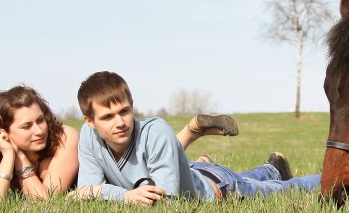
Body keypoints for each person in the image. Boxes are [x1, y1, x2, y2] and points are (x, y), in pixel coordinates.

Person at [70, 71, 321, 205]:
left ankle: (340, 177)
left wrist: (112, 195)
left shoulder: (156, 132)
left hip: (219, 188)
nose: (120, 122)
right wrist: (122, 196)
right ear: (89, 121)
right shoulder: (89, 138)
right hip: (193, 169)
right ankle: (272, 167)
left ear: (132, 105)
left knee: (288, 190)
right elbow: (86, 192)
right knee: (252, 176)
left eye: (125, 111)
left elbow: (167, 204)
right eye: (108, 116)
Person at [0, 85, 237, 206]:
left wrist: (21, 159)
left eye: (40, 120)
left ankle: (197, 150)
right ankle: (198, 155)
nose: (39, 129)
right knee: (157, 166)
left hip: (129, 184)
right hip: (131, 182)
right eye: (27, 126)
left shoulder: (64, 138)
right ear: (5, 133)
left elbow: (44, 203)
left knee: (153, 157)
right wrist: (8, 155)